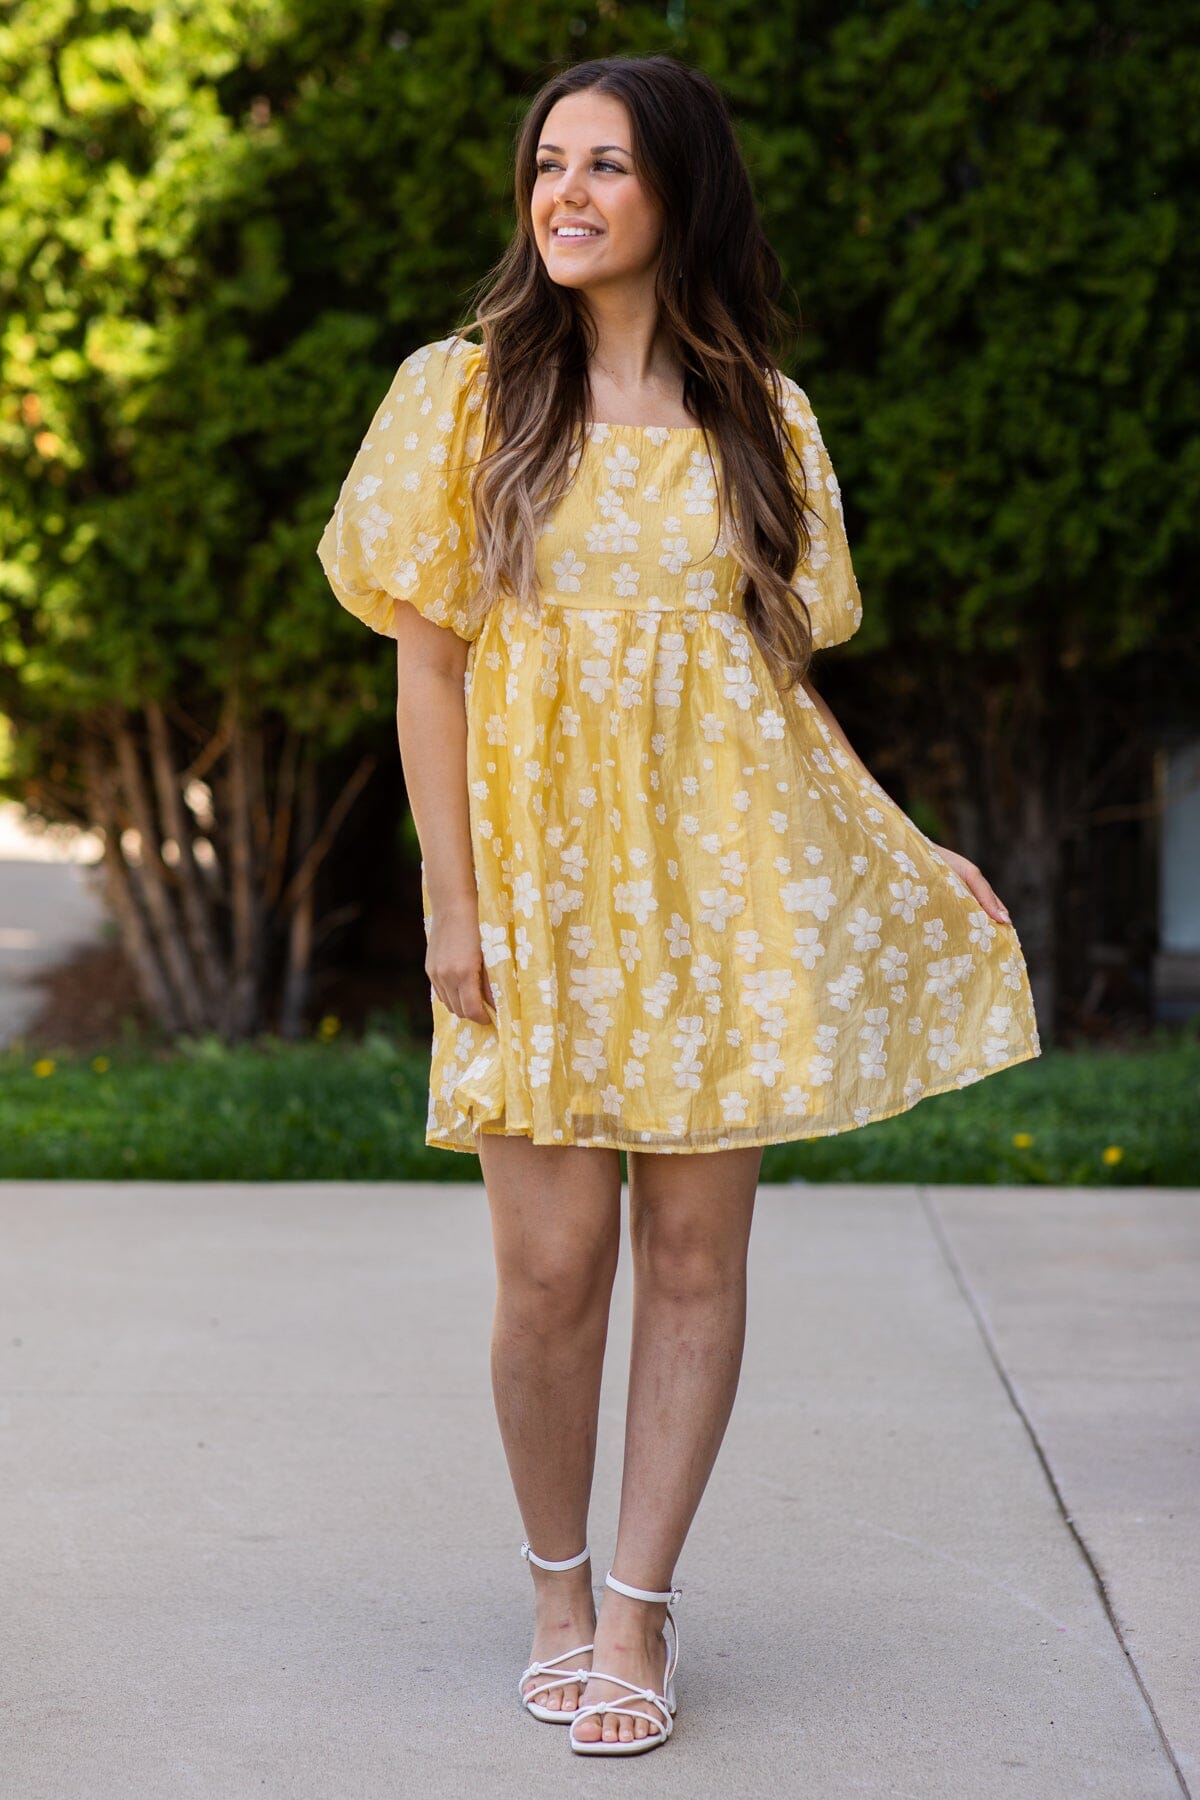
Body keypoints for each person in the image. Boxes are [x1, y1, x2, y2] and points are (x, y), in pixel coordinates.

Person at [317, 52, 1040, 1759]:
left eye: (606, 166)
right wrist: (452, 905)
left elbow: (771, 693)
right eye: (546, 163)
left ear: (679, 193)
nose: (564, 193)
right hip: (538, 897)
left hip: (717, 896)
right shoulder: (463, 395)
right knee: (553, 1273)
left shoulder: (764, 423)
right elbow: (429, 674)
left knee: (699, 1258)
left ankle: (640, 1614)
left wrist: (907, 846)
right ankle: (554, 1588)